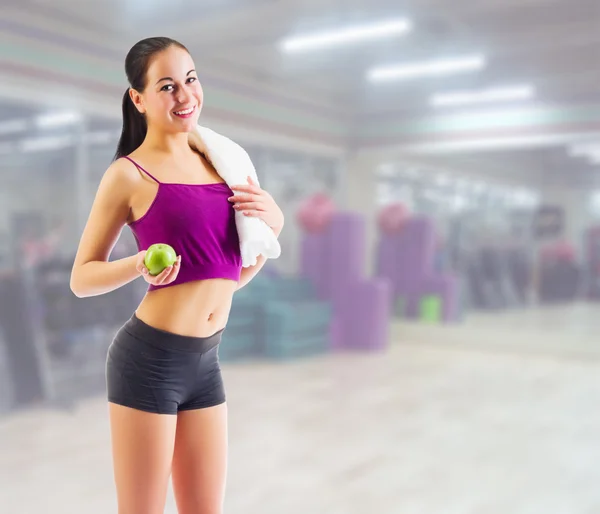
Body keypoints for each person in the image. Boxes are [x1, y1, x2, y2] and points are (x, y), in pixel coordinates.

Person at [70, 37, 284, 514]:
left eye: (190, 79)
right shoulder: (128, 174)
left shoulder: (221, 161)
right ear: (139, 98)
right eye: (167, 86)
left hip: (206, 363)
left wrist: (275, 225)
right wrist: (138, 264)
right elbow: (81, 278)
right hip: (148, 360)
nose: (185, 96)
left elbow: (229, 274)